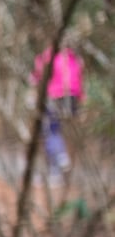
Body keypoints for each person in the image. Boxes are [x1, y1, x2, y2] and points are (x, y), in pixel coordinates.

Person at [31, 44, 83, 173]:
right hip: (72, 98)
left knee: (50, 129)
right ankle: (56, 166)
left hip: (55, 96)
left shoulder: (47, 57)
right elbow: (79, 78)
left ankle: (58, 159)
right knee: (56, 129)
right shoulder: (73, 58)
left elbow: (37, 77)